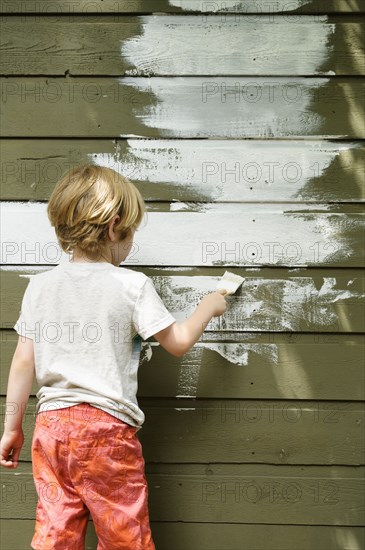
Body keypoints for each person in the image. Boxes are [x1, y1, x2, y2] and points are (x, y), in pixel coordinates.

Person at [0, 164, 227, 550]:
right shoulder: (131, 285)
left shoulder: (39, 287)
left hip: (50, 429)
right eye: (132, 232)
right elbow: (177, 342)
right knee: (124, 534)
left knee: (55, 531)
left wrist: (11, 427)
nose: (131, 244)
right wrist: (209, 306)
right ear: (113, 226)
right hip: (105, 431)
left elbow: (23, 362)